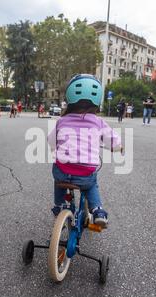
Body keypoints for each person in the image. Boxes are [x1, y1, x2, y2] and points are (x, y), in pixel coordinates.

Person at [48, 74, 123, 228]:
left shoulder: (61, 121)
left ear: (69, 99)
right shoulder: (98, 122)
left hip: (62, 171)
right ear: (97, 101)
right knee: (92, 183)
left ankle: (59, 205)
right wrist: (118, 148)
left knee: (58, 180)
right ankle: (97, 211)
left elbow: (51, 140)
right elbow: (113, 141)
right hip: (84, 174)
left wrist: (55, 148)